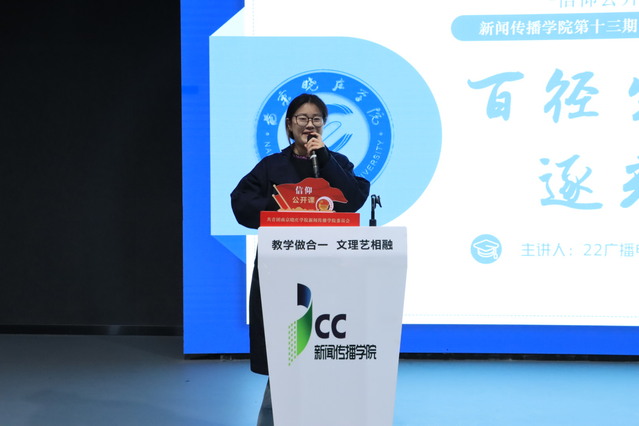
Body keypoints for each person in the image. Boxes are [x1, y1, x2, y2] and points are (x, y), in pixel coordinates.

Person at [230, 93, 370, 425]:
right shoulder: (272, 166)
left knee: (323, 341)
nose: (310, 125)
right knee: (284, 347)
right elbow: (241, 203)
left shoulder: (336, 162)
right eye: (303, 119)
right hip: (281, 268)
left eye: (316, 119)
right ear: (289, 125)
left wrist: (326, 159)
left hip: (328, 267)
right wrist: (283, 206)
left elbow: (353, 200)